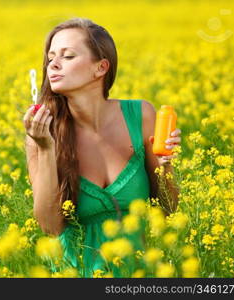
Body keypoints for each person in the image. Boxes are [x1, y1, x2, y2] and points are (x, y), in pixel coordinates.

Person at [22, 17, 181, 277]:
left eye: (68, 56)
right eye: (50, 58)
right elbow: (49, 226)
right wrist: (45, 148)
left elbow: (167, 210)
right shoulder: (43, 131)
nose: (54, 64)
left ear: (101, 68)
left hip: (141, 273)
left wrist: (166, 167)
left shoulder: (141, 115)